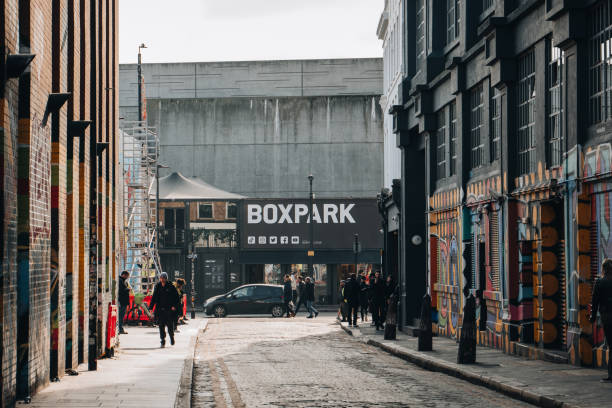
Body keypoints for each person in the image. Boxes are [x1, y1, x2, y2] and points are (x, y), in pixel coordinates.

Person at [590, 258, 612, 382]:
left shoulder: (599, 282)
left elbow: (595, 301)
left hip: (607, 317)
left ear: (604, 269)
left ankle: (611, 375)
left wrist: (593, 317)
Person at [149, 272, 180, 347]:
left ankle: (171, 337)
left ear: (166, 279)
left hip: (169, 309)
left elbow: (177, 298)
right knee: (161, 325)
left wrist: (174, 306)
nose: (162, 279)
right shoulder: (158, 286)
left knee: (170, 325)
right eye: (161, 278)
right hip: (160, 309)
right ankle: (162, 341)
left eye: (163, 278)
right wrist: (151, 308)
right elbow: (154, 297)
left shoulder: (171, 286)